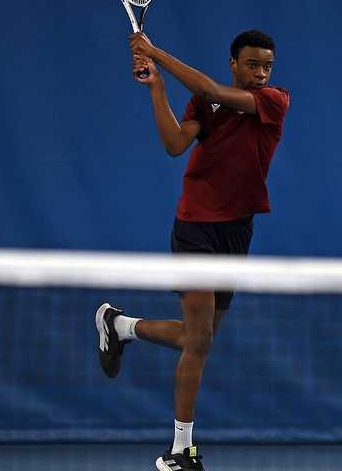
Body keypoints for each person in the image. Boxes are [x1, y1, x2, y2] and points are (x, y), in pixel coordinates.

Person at [96, 29, 290, 471]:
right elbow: (174, 145)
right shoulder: (205, 103)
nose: (261, 73)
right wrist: (157, 88)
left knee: (196, 339)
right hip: (196, 229)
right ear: (234, 64)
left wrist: (155, 53)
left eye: (267, 66)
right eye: (253, 65)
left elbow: (206, 87)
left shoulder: (274, 101)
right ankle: (181, 450)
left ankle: (120, 325)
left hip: (237, 234)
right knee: (199, 340)